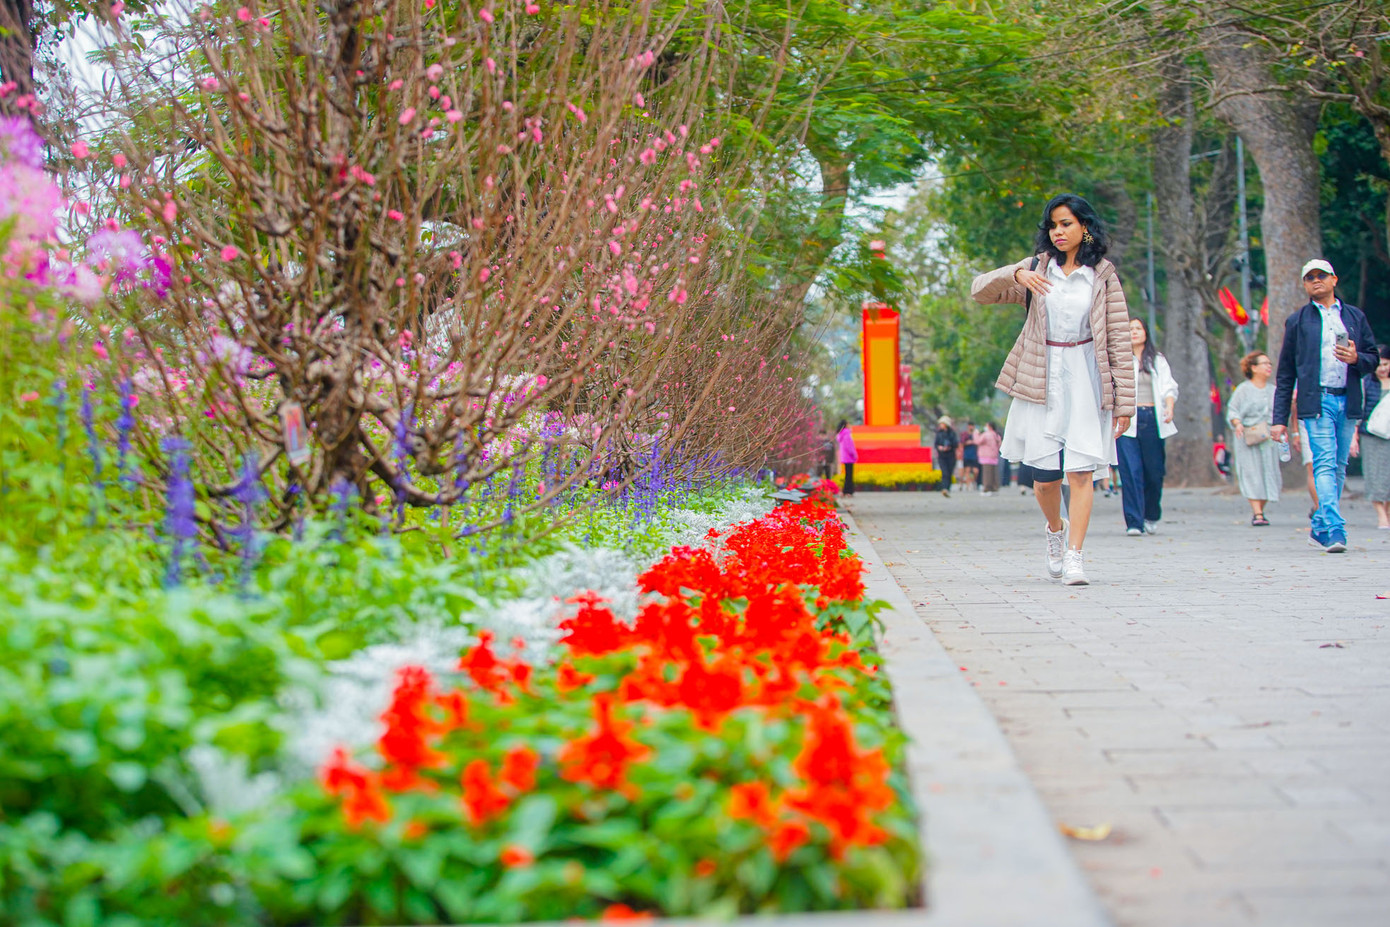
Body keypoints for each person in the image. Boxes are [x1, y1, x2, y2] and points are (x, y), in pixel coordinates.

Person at [971, 192, 1134, 585]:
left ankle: (1076, 556)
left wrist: (1126, 402)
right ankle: (1055, 531)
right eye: (1053, 225)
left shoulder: (1103, 275)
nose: (1058, 231)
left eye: (1067, 224)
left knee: (1081, 472)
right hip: (1041, 375)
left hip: (1086, 376)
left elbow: (1118, 339)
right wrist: (1015, 274)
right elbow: (979, 291)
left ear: (1085, 228)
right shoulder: (1035, 271)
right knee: (1044, 478)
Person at [1270, 259, 1380, 553]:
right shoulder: (1298, 320)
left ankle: (1319, 525)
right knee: (1323, 463)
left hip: (1349, 398)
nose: (1316, 280)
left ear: (1334, 279)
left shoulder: (1354, 317)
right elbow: (1285, 372)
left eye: (1321, 276)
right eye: (1309, 277)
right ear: (1305, 285)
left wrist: (1356, 359)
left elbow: (1373, 359)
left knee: (1339, 466)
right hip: (1316, 401)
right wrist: (1279, 418)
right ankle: (1334, 529)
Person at [1116, 317, 1178, 536]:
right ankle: (1134, 521)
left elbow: (1169, 387)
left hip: (1153, 418)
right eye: (1130, 329)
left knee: (1154, 472)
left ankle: (1151, 514)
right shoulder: (1120, 359)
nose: (1134, 332)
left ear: (1145, 332)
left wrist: (1169, 408)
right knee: (1131, 471)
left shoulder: (1157, 360)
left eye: (1138, 328)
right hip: (1126, 422)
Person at [1227, 352, 1282, 526]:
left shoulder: (1273, 391)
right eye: (1264, 363)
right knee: (1251, 473)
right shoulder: (1243, 389)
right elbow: (1233, 410)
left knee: (1269, 472)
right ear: (1253, 368)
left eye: (1270, 364)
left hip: (1268, 438)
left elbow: (1280, 413)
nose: (1268, 367)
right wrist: (1237, 424)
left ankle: (1261, 509)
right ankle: (1257, 513)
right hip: (1247, 437)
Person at [1353, 344, 1390, 530]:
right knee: (1373, 474)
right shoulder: (1366, 383)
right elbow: (1359, 411)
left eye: (1386, 364)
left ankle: (1388, 511)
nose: (1382, 369)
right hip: (1371, 435)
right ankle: (1381, 515)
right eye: (1379, 365)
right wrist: (1354, 436)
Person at [933, 416, 958, 497]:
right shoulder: (939, 433)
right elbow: (936, 444)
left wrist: (949, 447)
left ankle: (948, 487)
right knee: (945, 472)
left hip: (951, 455)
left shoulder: (952, 433)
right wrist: (940, 447)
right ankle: (944, 488)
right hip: (942, 456)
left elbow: (956, 444)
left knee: (950, 472)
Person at [975, 422, 1003, 495]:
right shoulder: (996, 435)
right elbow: (1000, 445)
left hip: (986, 456)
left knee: (987, 473)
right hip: (994, 456)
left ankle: (987, 488)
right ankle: (995, 487)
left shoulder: (986, 434)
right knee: (993, 473)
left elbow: (978, 441)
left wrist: (976, 434)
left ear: (989, 427)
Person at [836, 419, 857, 496]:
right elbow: (850, 446)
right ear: (846, 425)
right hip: (849, 457)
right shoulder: (847, 433)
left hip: (844, 457)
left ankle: (846, 491)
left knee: (847, 475)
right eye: (848, 423)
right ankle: (848, 491)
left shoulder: (841, 434)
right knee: (849, 475)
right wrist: (854, 454)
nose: (850, 425)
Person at [960, 421, 979, 492]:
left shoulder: (976, 434)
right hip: (967, 455)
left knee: (975, 471)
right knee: (967, 471)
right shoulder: (965, 434)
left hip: (975, 455)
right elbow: (961, 443)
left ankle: (973, 481)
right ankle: (968, 485)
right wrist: (967, 443)